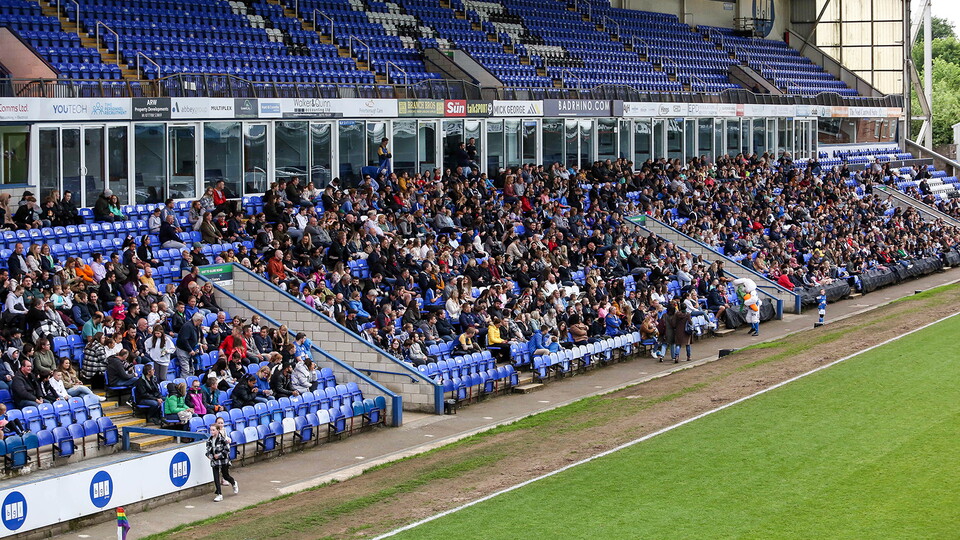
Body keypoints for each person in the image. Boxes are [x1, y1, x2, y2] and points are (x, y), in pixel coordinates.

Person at [205, 423, 238, 502]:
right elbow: (208, 450)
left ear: (218, 430)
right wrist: (209, 455)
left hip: (223, 461)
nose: (212, 432)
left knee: (226, 476)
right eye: (211, 430)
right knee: (216, 478)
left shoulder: (222, 439)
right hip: (214, 462)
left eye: (213, 430)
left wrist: (219, 455)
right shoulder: (209, 439)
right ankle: (219, 494)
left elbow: (227, 450)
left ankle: (233, 482)